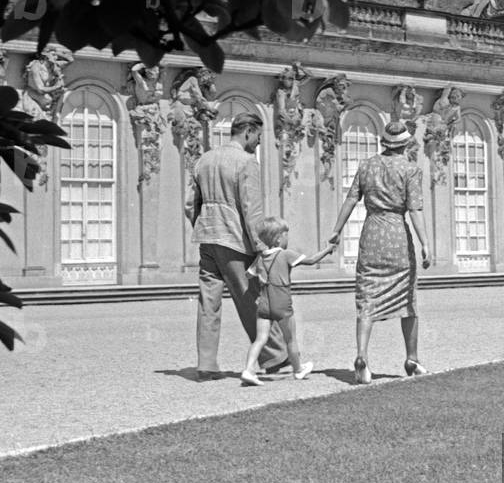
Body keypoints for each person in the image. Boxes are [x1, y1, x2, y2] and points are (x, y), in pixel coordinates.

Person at [185, 111, 289, 379]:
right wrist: (262, 247)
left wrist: (203, 224)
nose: (258, 144)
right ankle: (275, 355)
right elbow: (251, 210)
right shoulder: (246, 162)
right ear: (248, 132)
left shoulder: (204, 160)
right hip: (233, 240)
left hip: (207, 238)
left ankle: (206, 364)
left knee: (208, 302)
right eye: (257, 137)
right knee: (251, 298)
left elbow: (190, 205)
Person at [330, 121, 435, 384]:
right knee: (407, 300)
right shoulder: (411, 169)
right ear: (406, 144)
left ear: (384, 142)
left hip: (372, 233)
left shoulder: (366, 166)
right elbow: (415, 210)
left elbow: (351, 199)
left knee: (367, 297)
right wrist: (425, 243)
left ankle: (361, 356)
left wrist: (336, 230)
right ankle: (412, 359)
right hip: (397, 234)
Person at [240, 217, 333, 387]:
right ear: (278, 238)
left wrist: (261, 275)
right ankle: (298, 370)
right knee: (290, 339)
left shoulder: (260, 258)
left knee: (260, 339)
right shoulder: (286, 254)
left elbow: (247, 275)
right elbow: (311, 260)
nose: (287, 238)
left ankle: (248, 370)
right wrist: (327, 250)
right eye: (285, 235)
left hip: (264, 304)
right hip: (282, 304)